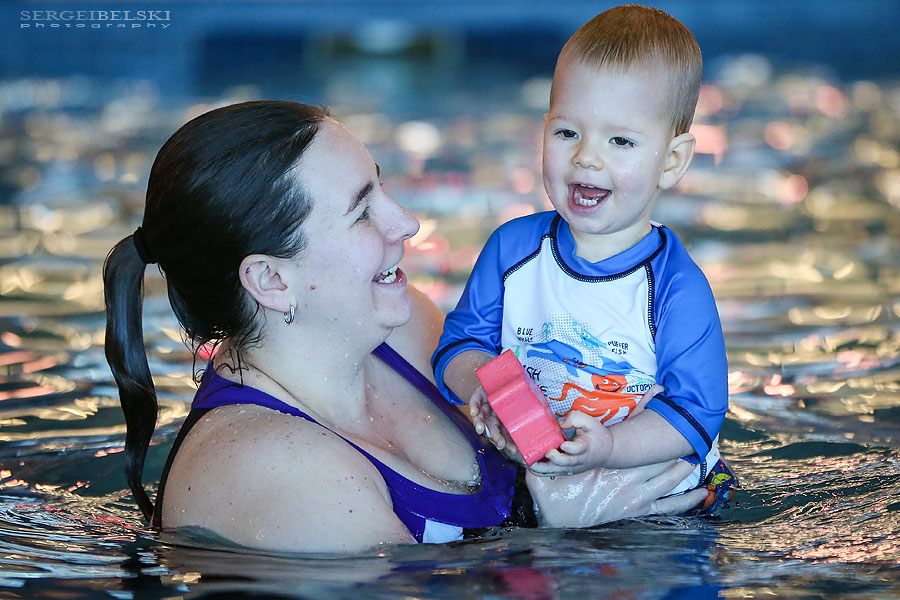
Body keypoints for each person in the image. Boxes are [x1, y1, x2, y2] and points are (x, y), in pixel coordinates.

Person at [104, 100, 708, 554]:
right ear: (270, 280)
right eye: (362, 211)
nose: (407, 223)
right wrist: (550, 534)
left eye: (383, 189)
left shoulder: (403, 327)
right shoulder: (262, 465)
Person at [433, 5, 736, 525]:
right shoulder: (512, 251)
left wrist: (609, 448)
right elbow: (459, 346)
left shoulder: (675, 287)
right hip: (533, 473)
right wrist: (479, 386)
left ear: (671, 161)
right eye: (568, 133)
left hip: (655, 494)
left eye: (619, 141)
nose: (586, 158)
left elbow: (696, 414)